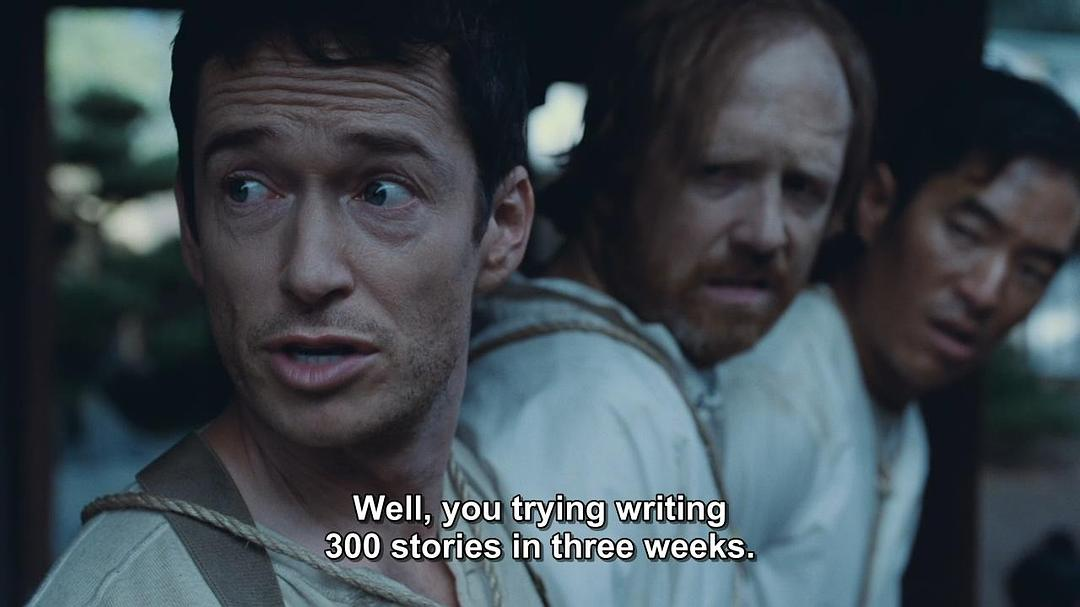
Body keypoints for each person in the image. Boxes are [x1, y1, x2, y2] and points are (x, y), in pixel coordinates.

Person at [31, 2, 543, 605]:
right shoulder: (137, 593)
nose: (309, 271)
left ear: (503, 225)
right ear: (192, 229)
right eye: (246, 189)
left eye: (382, 192)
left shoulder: (488, 510)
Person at [457, 0, 875, 604]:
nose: (766, 233)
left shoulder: (629, 380)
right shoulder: (589, 413)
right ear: (617, 170)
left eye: (803, 188)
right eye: (720, 173)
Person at [720, 68, 1080, 606]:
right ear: (876, 203)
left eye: (1031, 270)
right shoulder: (771, 400)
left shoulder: (896, 415)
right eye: (966, 233)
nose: (987, 292)